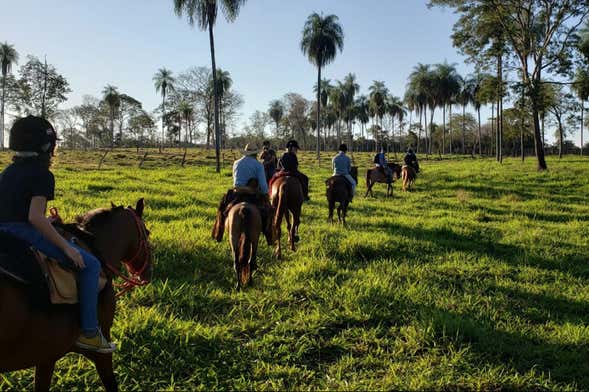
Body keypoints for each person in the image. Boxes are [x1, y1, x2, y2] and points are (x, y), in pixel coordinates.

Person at [0, 115, 115, 353]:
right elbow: (34, 217)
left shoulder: (8, 171)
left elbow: (16, 210)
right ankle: (90, 334)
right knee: (91, 265)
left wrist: (45, 221)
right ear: (47, 147)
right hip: (22, 231)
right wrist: (68, 248)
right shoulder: (43, 174)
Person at [213, 144, 273, 244]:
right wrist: (266, 195)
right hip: (252, 193)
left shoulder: (236, 163)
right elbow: (263, 185)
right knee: (268, 212)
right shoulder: (258, 165)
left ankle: (219, 232)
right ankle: (269, 236)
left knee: (223, 209)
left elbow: (235, 181)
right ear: (255, 154)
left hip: (237, 193)